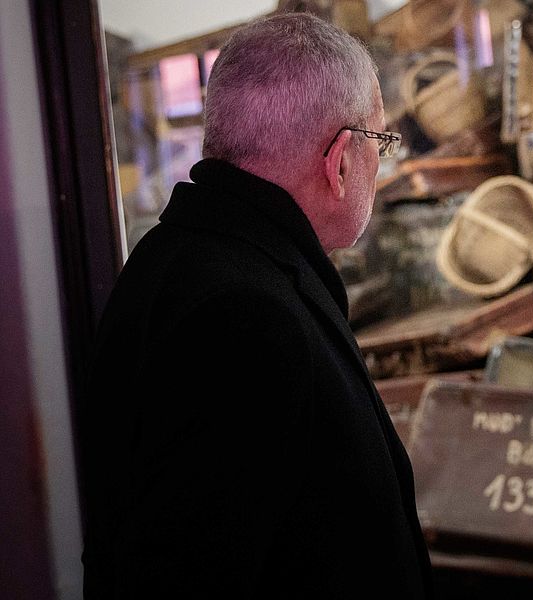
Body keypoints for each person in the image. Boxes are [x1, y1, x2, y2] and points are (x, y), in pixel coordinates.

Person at [81, 13, 430, 598]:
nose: (381, 161)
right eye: (381, 141)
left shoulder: (179, 259)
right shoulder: (244, 318)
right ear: (340, 160)